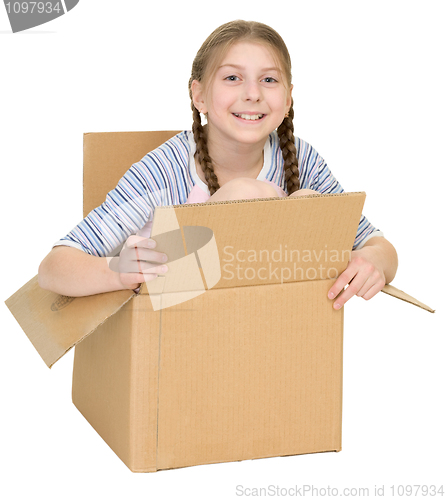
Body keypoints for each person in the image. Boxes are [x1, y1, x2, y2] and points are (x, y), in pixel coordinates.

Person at [38, 20, 398, 309]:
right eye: (232, 78)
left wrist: (373, 263)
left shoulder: (301, 160)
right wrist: (116, 270)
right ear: (199, 96)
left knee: (308, 202)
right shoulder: (164, 170)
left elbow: (379, 246)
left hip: (268, 323)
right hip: (180, 315)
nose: (253, 93)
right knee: (245, 194)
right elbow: (53, 270)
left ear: (287, 99)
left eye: (269, 80)